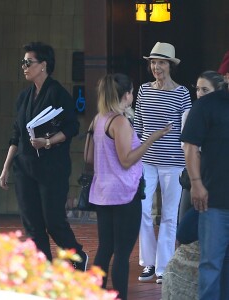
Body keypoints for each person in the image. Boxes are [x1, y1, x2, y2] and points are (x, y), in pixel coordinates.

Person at [0, 42, 88, 270]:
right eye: (23, 62)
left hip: (52, 167)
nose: (24, 67)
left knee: (53, 221)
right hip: (25, 166)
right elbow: (15, 134)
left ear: (44, 65)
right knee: (31, 223)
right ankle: (43, 268)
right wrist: (6, 167)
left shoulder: (58, 93)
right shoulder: (23, 97)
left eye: (29, 62)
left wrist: (47, 141)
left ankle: (77, 255)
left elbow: (71, 128)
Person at [85, 73, 171, 300]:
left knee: (105, 249)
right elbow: (126, 159)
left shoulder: (99, 119)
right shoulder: (119, 121)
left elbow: (88, 157)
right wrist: (151, 139)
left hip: (103, 193)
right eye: (131, 92)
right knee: (122, 254)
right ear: (125, 96)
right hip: (124, 193)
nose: (133, 95)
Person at [134, 42, 192, 284]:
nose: (156, 67)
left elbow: (186, 129)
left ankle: (163, 266)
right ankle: (148, 263)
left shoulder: (182, 93)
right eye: (153, 62)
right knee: (143, 212)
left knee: (169, 215)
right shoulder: (143, 90)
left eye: (161, 62)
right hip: (146, 160)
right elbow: (137, 125)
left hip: (173, 162)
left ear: (170, 66)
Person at [178, 71, 228, 224]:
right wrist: (196, 182)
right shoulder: (190, 113)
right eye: (198, 89)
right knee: (184, 226)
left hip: (215, 178)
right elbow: (188, 147)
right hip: (195, 175)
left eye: (205, 90)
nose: (199, 94)